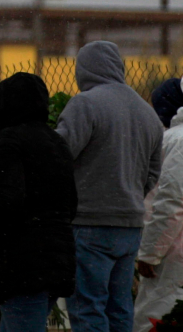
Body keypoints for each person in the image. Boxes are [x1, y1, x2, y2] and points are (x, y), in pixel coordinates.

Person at [56, 42, 164, 332]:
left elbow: (58, 156)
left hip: (89, 223)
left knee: (88, 308)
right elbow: (154, 171)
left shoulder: (85, 104)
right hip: (129, 226)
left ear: (84, 69)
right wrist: (129, 194)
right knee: (119, 308)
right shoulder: (147, 112)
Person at [0, 73, 78, 332]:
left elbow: (8, 199)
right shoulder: (56, 141)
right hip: (57, 259)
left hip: (22, 263)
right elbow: (72, 202)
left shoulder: (8, 142)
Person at [133, 78, 183, 332]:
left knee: (157, 316)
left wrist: (150, 253)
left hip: (173, 255)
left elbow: (172, 200)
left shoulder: (176, 140)